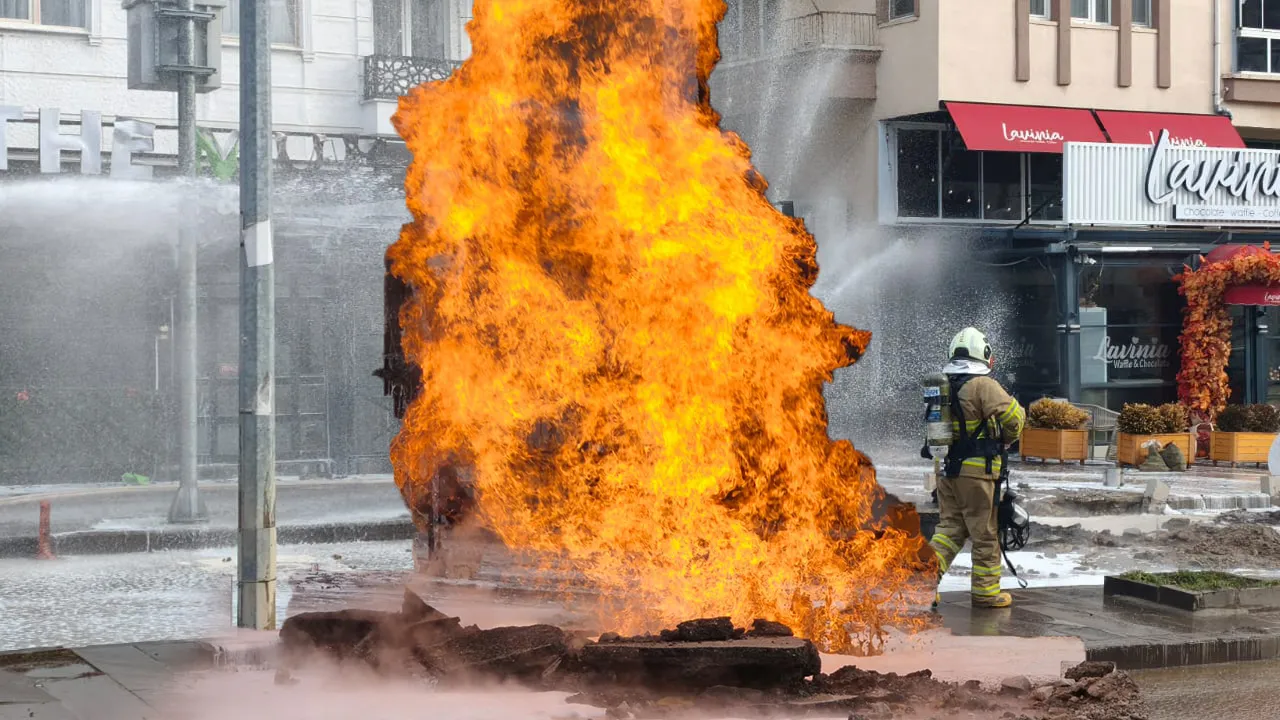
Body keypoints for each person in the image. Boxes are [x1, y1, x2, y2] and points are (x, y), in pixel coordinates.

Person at [930, 327, 1025, 609]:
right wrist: (1007, 440)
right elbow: (1015, 419)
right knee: (985, 533)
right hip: (977, 474)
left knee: (950, 529)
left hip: (947, 471)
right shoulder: (983, 385)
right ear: (984, 355)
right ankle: (985, 593)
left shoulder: (944, 384)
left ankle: (920, 583)